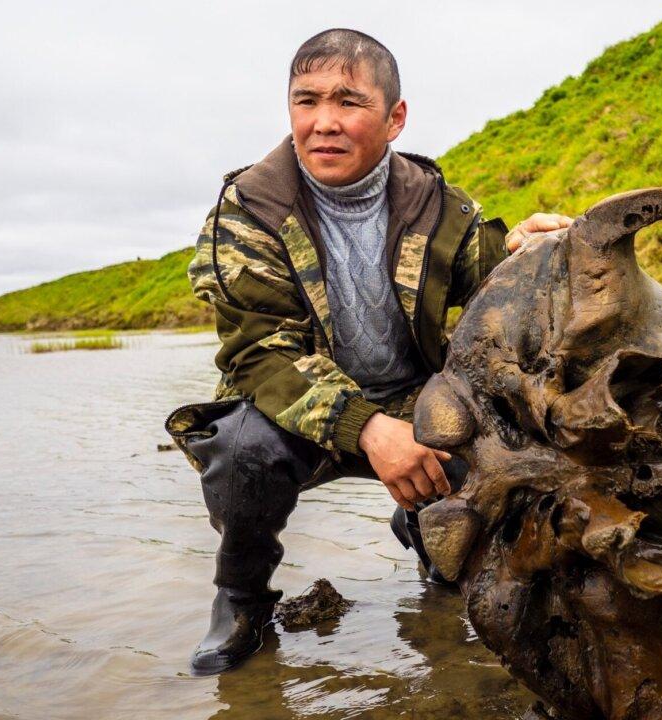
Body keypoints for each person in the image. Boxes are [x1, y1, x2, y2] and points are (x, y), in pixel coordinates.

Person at [165, 28, 572, 676]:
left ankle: (434, 542)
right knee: (240, 454)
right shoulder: (248, 213)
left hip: (416, 399)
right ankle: (240, 600)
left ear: (394, 117)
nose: (323, 122)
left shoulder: (437, 204)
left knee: (507, 451)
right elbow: (261, 353)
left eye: (348, 101)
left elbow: (487, 285)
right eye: (306, 101)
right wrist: (368, 429)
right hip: (291, 407)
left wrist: (525, 247)